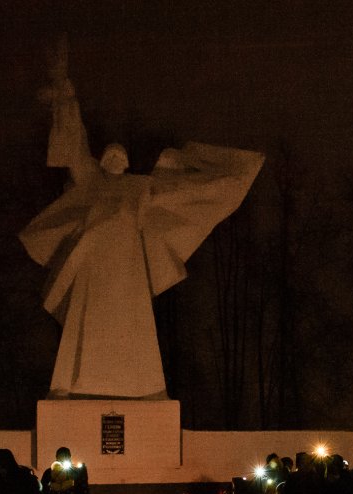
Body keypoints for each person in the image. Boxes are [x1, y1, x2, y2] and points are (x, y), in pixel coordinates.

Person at [19, 38, 265, 398]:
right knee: (86, 326)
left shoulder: (140, 188)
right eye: (111, 157)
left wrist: (218, 183)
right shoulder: (91, 182)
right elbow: (75, 145)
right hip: (94, 266)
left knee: (133, 327)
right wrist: (65, 95)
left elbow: (178, 194)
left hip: (128, 270)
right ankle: (67, 385)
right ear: (103, 162)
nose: (116, 161)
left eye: (122, 158)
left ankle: (148, 389)